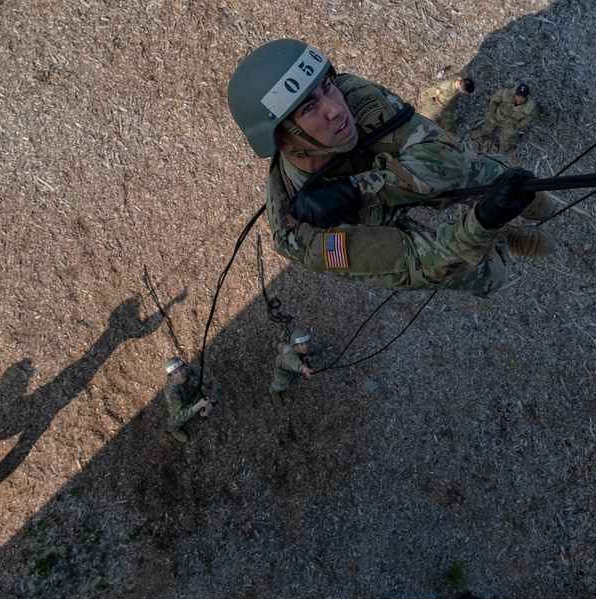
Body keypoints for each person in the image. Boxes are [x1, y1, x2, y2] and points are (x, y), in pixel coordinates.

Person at [226, 39, 556, 296]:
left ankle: (533, 203)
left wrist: (361, 189)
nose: (336, 109)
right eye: (309, 108)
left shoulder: (353, 95)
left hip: (386, 178)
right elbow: (419, 262)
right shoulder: (299, 232)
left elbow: (447, 160)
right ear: (284, 141)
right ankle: (501, 239)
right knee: (487, 275)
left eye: (326, 86)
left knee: (484, 173)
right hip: (366, 225)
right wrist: (483, 224)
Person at [163, 357, 220, 443]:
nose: (180, 374)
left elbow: (215, 384)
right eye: (175, 372)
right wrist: (199, 405)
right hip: (181, 407)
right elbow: (179, 414)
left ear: (185, 367)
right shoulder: (171, 391)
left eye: (181, 369)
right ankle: (173, 429)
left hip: (193, 398)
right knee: (176, 420)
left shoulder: (193, 371)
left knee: (196, 405)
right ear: (171, 376)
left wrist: (211, 405)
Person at [471, 83, 537, 153]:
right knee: (488, 127)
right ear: (515, 94)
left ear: (526, 97)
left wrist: (518, 125)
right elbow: (494, 100)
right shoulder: (506, 93)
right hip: (498, 115)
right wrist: (492, 111)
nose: (519, 99)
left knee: (505, 139)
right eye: (518, 96)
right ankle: (483, 131)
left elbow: (528, 118)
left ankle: (502, 148)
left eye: (522, 97)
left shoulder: (530, 107)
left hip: (511, 123)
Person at [269, 330, 322, 406]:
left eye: (306, 342)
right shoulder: (289, 353)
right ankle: (273, 391)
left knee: (282, 347)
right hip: (283, 367)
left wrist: (312, 358)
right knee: (281, 383)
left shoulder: (308, 346)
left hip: (286, 350)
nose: (305, 346)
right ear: (295, 345)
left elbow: (319, 351)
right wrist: (304, 369)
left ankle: (276, 344)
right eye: (301, 344)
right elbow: (295, 363)